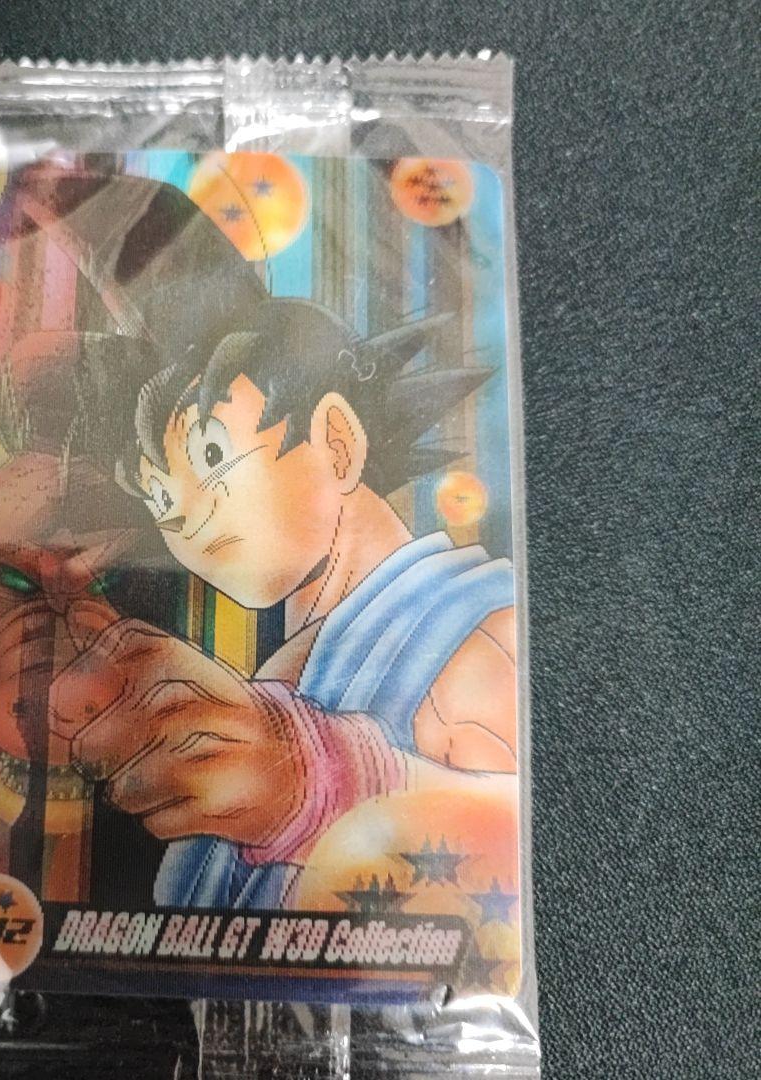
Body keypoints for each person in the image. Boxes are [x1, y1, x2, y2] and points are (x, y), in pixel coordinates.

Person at [46, 296, 518, 909]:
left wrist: (330, 783)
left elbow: (516, 862)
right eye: (160, 499)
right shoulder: (286, 675)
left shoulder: (474, 636)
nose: (183, 519)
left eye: (212, 457)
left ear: (337, 444)